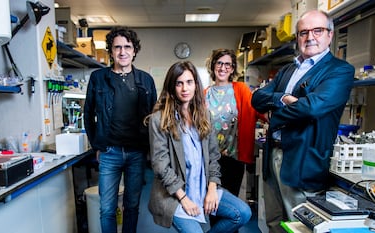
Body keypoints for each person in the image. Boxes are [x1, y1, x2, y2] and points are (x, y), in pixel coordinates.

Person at [251, 10, 355, 232]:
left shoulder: (339, 70)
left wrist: (274, 115)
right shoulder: (288, 70)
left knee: (300, 226)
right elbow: (257, 98)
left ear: (330, 34)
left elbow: (312, 108)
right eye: (303, 32)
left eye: (317, 30)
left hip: (303, 161)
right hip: (273, 155)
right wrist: (282, 98)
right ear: (297, 38)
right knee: (274, 223)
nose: (310, 37)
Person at [146, 61, 251, 233]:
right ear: (171, 87)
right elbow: (160, 166)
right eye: (178, 83)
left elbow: (213, 156)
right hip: (176, 195)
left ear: (196, 84)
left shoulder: (204, 115)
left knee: (243, 213)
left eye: (189, 82)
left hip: (203, 188)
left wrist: (211, 189)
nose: (184, 88)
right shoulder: (159, 120)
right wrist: (184, 199)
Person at [84, 26, 157, 233]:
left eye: (127, 47)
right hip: (109, 152)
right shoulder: (98, 78)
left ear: (134, 51)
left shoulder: (146, 80)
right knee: (107, 208)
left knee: (131, 206)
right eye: (117, 47)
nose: (122, 52)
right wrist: (96, 145)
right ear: (111, 51)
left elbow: (154, 118)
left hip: (137, 152)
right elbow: (88, 114)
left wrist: (152, 150)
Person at [204, 48, 267, 197]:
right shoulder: (204, 94)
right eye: (219, 63)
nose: (223, 68)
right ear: (213, 65)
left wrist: (281, 116)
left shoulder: (240, 89)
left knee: (230, 200)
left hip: (233, 158)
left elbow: (257, 109)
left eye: (228, 64)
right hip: (210, 158)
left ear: (232, 69)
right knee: (212, 202)